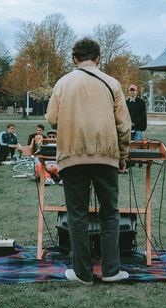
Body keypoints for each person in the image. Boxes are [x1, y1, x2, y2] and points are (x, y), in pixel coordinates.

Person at [45, 37, 131, 284]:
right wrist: (123, 157)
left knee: (77, 214)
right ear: (98, 57)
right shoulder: (111, 82)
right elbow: (124, 126)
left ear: (74, 59)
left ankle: (82, 273)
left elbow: (51, 118)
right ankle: (111, 271)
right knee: (110, 213)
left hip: (72, 156)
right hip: (106, 156)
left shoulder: (63, 82)